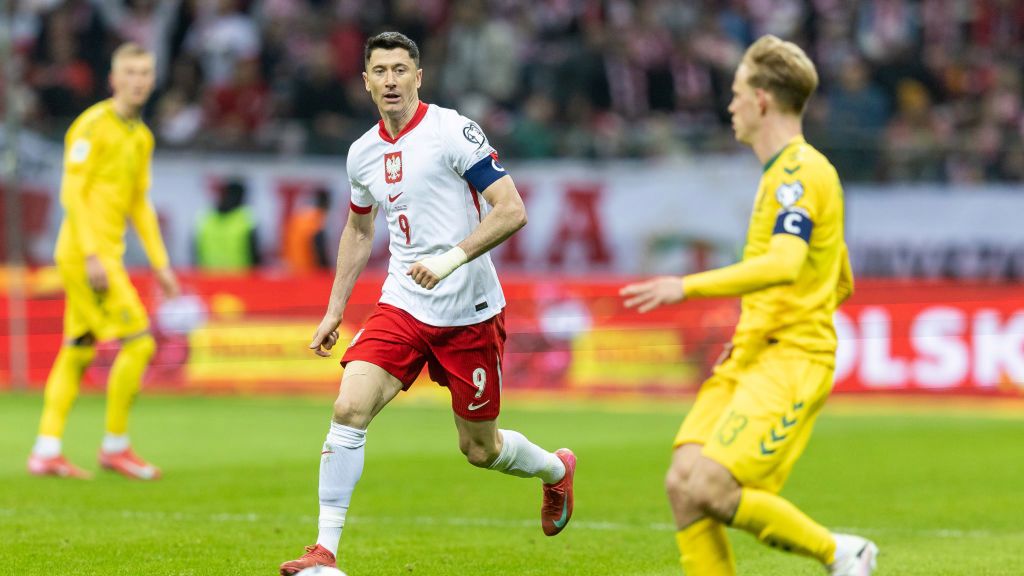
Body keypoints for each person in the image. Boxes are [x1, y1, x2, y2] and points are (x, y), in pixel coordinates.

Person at [279, 32, 576, 575]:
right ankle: (323, 553)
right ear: (365, 82)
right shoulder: (362, 153)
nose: (390, 80)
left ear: (419, 78)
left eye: (400, 70)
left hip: (470, 311)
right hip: (404, 304)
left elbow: (511, 210)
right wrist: (334, 310)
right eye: (380, 71)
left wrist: (450, 259)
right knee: (349, 408)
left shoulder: (451, 131)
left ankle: (555, 471)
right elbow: (358, 228)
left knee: (480, 450)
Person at [620, 35, 876, 576]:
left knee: (713, 486)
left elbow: (785, 263)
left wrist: (686, 287)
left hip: (788, 360)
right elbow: (842, 276)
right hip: (749, 355)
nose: (729, 105)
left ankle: (841, 554)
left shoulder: (798, 174)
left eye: (736, 93)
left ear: (761, 99)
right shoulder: (783, 175)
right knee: (684, 484)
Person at [28, 42, 180, 481]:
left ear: (152, 81)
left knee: (76, 351)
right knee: (141, 341)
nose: (137, 81)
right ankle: (115, 446)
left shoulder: (141, 137)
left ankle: (46, 449)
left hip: (99, 254)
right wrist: (94, 253)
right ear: (113, 79)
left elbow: (139, 204)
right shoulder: (91, 126)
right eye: (129, 72)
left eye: (145, 73)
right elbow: (71, 192)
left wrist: (161, 264)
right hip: (84, 254)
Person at [194, 178, 262, 271]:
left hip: (209, 280)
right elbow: (255, 256)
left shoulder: (205, 218)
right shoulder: (246, 219)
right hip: (240, 280)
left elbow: (195, 253)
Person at [281, 186, 331, 274]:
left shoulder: (300, 216)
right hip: (309, 270)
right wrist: (325, 269)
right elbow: (318, 244)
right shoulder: (316, 218)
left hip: (293, 268)